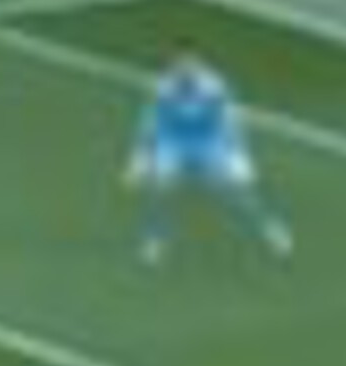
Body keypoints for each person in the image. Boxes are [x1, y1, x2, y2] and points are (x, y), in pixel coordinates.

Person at [124, 50, 293, 262]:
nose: (184, 73)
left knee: (235, 191)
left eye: (189, 68)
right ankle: (155, 238)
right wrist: (139, 157)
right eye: (179, 68)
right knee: (160, 190)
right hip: (173, 141)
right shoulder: (162, 88)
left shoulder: (215, 87)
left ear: (198, 68)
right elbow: (150, 122)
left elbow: (230, 121)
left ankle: (270, 228)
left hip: (208, 141)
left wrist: (238, 154)